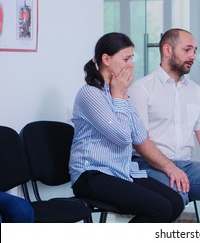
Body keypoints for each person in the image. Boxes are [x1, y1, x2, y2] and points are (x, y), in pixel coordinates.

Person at [129, 28, 200, 223]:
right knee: (176, 193)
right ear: (167, 50)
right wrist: (169, 168)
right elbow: (139, 141)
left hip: (185, 166)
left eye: (195, 51)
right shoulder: (142, 89)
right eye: (187, 50)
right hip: (148, 165)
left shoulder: (196, 91)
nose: (193, 56)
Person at [69, 32, 184, 223]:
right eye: (126, 59)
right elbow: (123, 137)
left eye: (132, 58)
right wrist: (118, 95)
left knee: (175, 203)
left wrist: (121, 95)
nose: (131, 64)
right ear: (106, 59)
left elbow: (138, 136)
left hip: (120, 170)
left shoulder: (119, 92)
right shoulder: (90, 94)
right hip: (92, 175)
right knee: (161, 208)